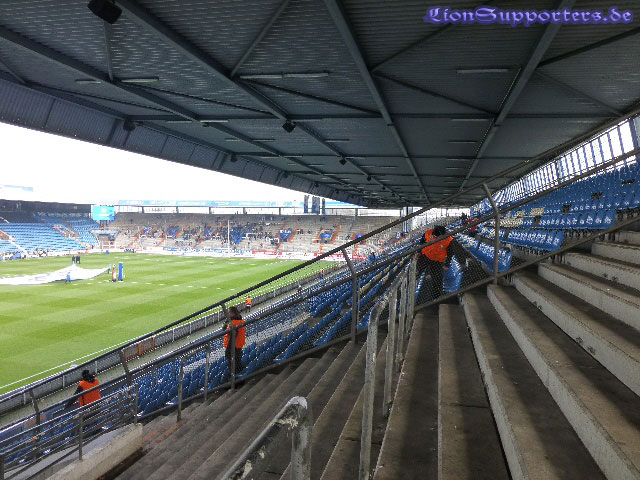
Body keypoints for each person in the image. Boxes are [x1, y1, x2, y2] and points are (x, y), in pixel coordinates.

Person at [416, 225, 454, 301]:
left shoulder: (448, 239)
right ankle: (408, 288)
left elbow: (450, 252)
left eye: (437, 236)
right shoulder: (427, 233)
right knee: (416, 272)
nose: (435, 238)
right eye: (434, 236)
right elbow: (421, 242)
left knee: (437, 279)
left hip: (437, 260)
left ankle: (436, 297)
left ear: (442, 235)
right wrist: (418, 252)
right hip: (425, 256)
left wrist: (447, 264)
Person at [223, 307, 246, 375]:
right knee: (237, 361)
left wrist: (228, 350)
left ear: (232, 314)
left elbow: (226, 332)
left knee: (233, 364)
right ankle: (239, 376)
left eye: (228, 313)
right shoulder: (241, 321)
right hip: (239, 344)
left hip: (233, 346)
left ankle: (235, 378)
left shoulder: (233, 323)